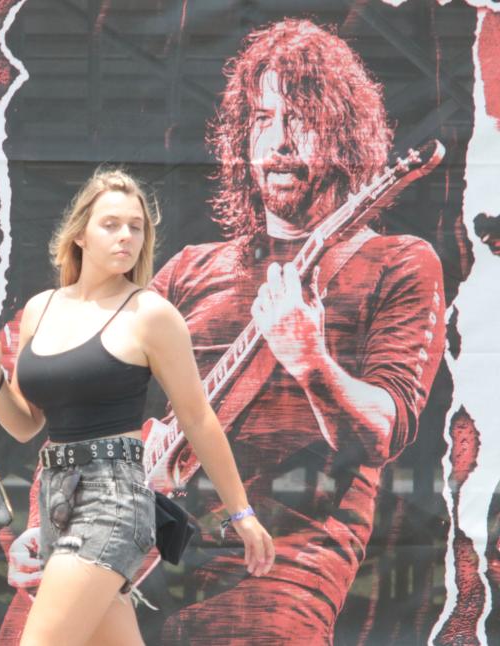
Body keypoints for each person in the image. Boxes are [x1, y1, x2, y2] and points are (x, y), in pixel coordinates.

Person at [147, 19, 447, 644]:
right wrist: (51, 521)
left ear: (345, 134)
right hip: (134, 549)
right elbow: (94, 400)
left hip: (274, 577)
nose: (279, 142)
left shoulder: (398, 263)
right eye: (262, 119)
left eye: (302, 119)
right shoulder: (189, 268)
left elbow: (381, 432)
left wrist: (310, 360)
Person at [0, 168, 275, 646]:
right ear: (80, 233)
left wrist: (240, 512)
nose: (127, 236)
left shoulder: (151, 313)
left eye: (136, 226)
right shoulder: (43, 307)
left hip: (113, 500)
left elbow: (198, 419)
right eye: (112, 224)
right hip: (55, 498)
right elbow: (24, 425)